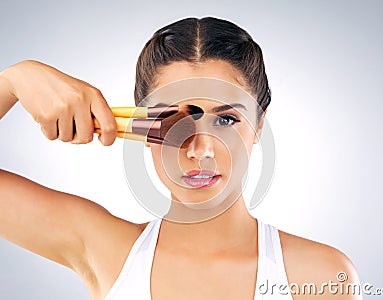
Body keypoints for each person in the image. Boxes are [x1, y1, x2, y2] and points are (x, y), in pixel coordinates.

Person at [0, 17, 361, 300]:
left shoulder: (323, 276)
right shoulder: (101, 248)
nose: (200, 149)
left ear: (258, 127)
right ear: (142, 127)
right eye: (173, 122)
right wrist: (15, 79)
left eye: (226, 119)